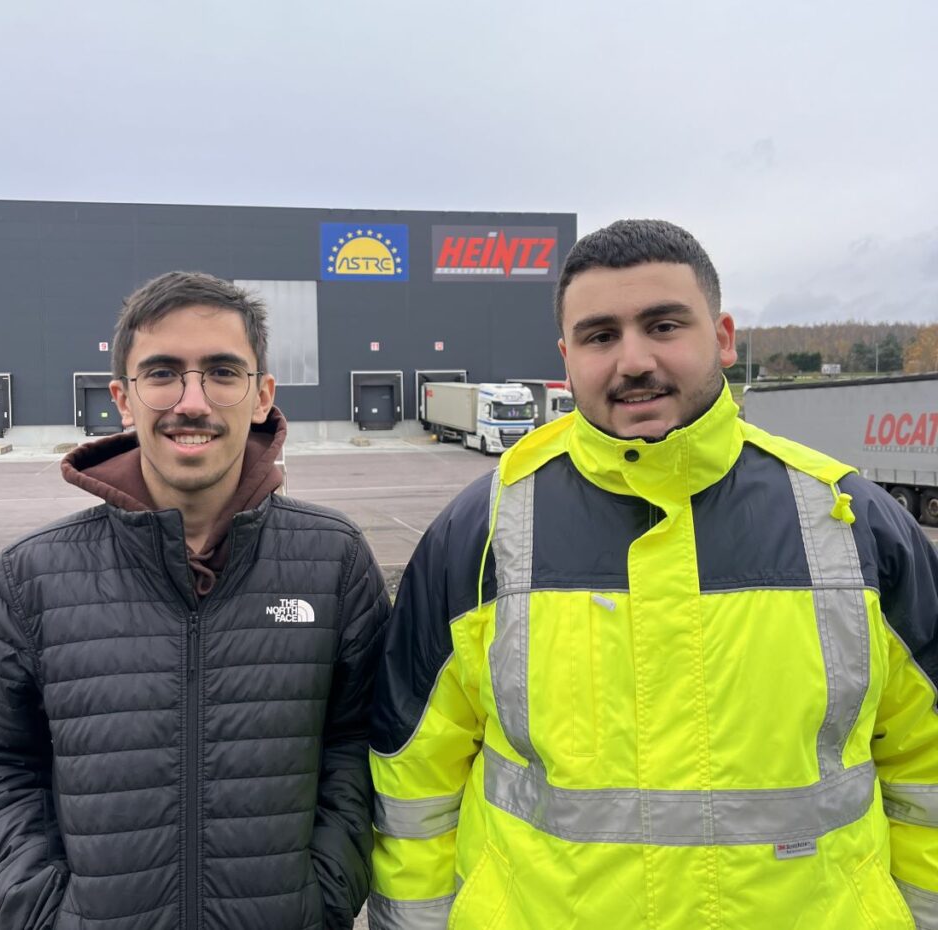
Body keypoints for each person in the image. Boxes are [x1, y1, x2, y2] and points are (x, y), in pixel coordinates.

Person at [368, 220, 938, 929]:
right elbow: (414, 783)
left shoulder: (854, 525)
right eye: (600, 336)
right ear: (567, 358)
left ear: (723, 337)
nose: (633, 360)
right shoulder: (479, 536)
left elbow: (925, 767)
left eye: (664, 325)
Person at [0, 271, 390, 930]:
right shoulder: (28, 580)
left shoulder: (334, 563)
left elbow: (362, 742)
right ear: (123, 399)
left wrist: (322, 894)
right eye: (163, 373)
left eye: (221, 372)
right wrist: (41, 909)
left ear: (262, 395)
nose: (191, 401)